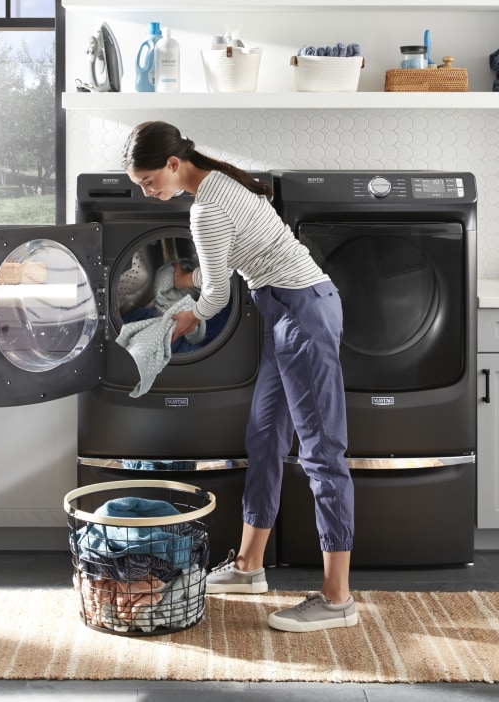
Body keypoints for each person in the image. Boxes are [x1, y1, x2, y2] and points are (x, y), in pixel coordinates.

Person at [122, 120, 357, 633]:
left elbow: (216, 297)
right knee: (266, 434)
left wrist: (184, 317)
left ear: (172, 164)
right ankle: (249, 568)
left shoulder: (207, 206)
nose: (146, 190)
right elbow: (220, 276)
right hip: (285, 310)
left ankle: (338, 599)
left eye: (147, 181)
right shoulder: (218, 184)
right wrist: (192, 304)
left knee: (321, 451)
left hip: (304, 313)